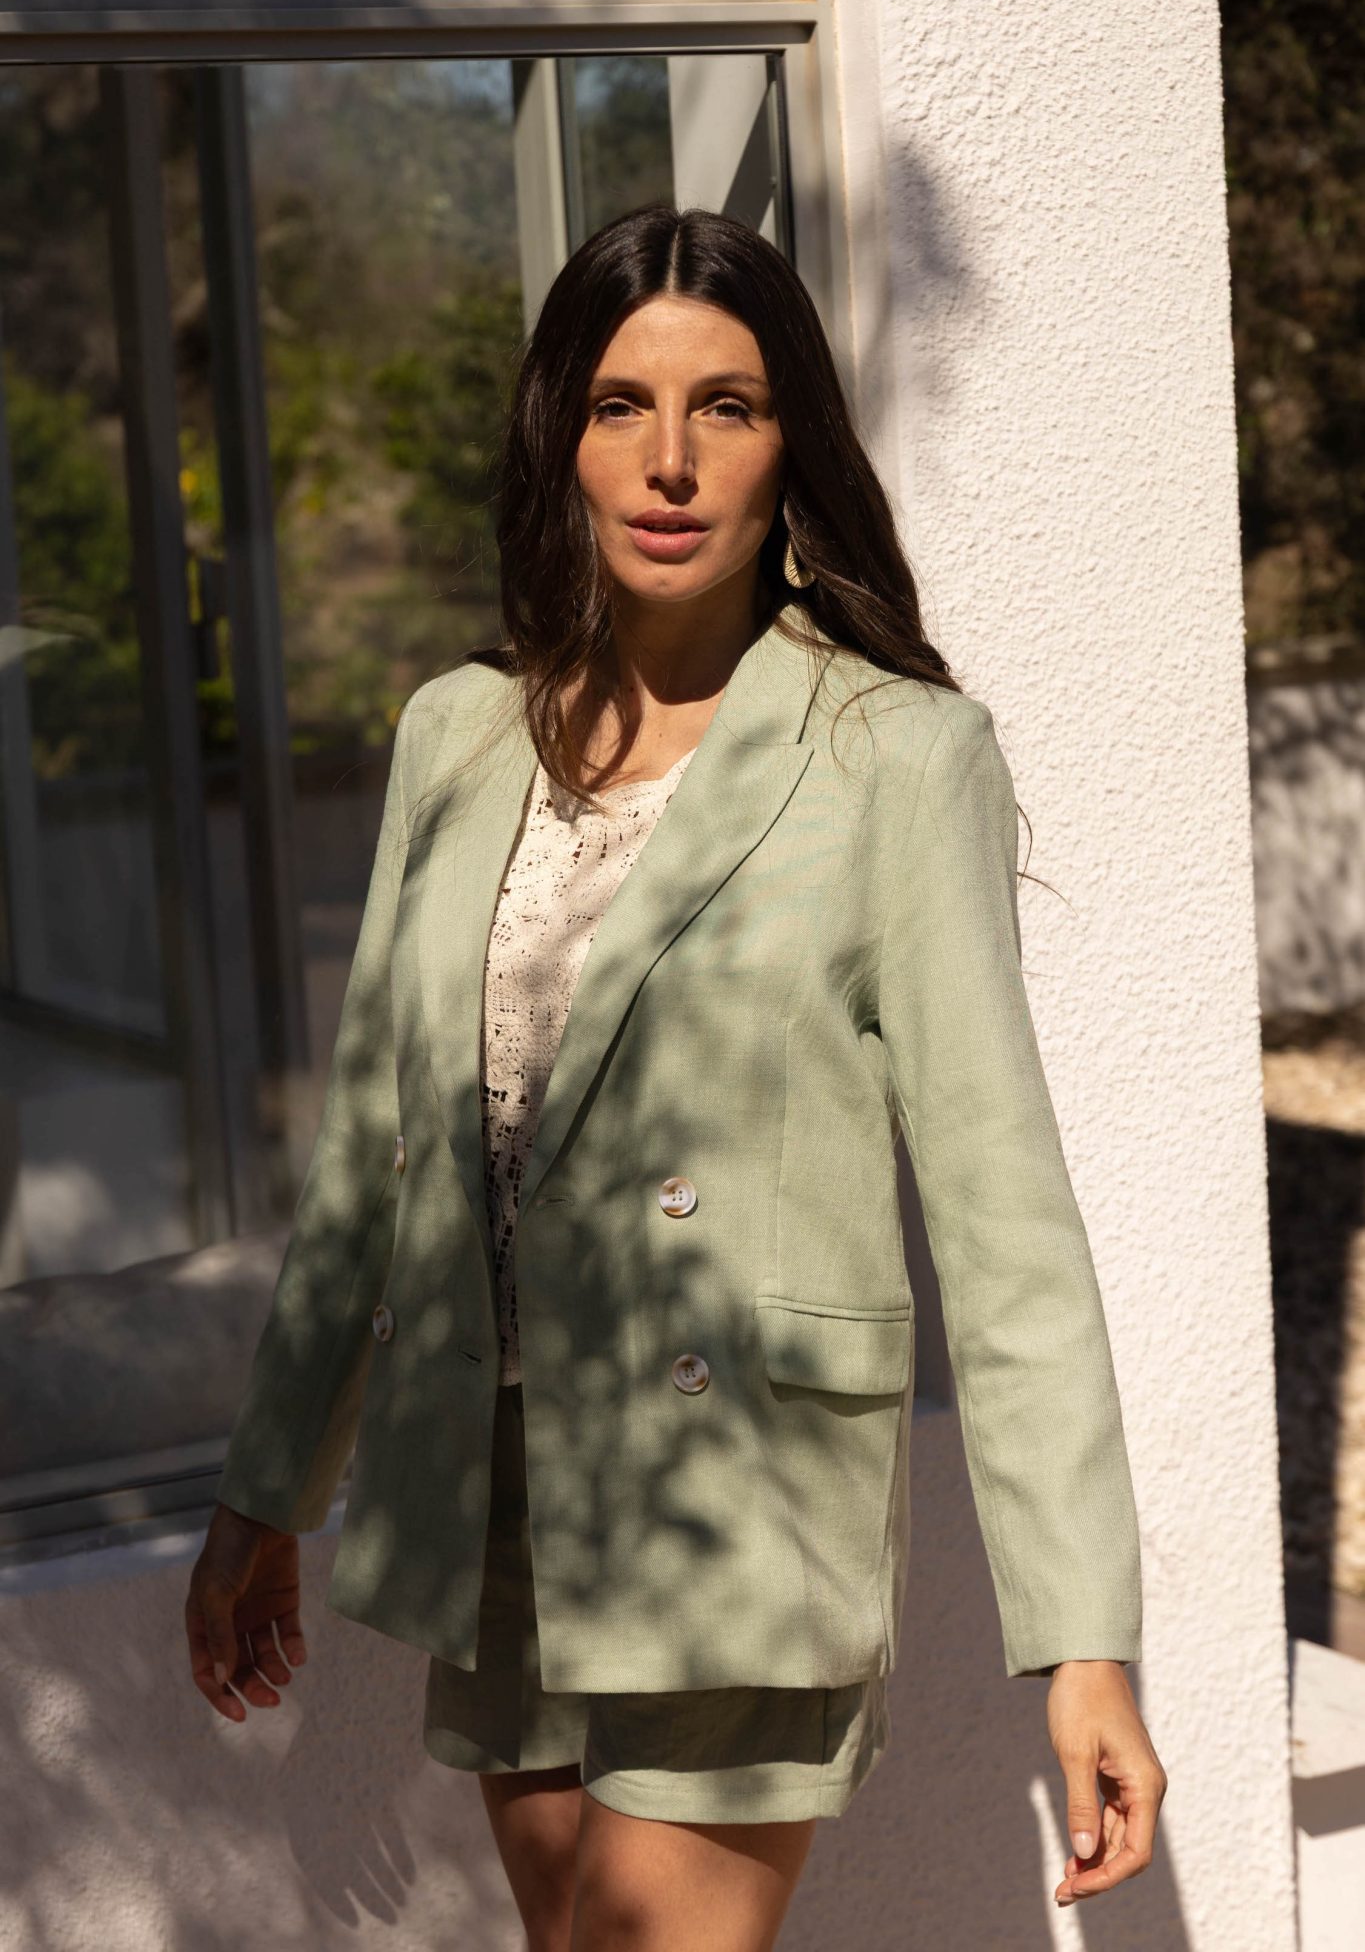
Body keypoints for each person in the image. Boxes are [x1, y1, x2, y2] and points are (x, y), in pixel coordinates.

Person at [185, 203, 1167, 1949]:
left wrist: (1082, 1641)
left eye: (727, 405)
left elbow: (1001, 1214)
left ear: (792, 446)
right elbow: (372, 1166)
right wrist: (270, 1490)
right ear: (559, 437)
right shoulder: (455, 735)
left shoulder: (894, 756)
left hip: (736, 1505)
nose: (668, 460)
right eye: (620, 405)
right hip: (500, 1505)